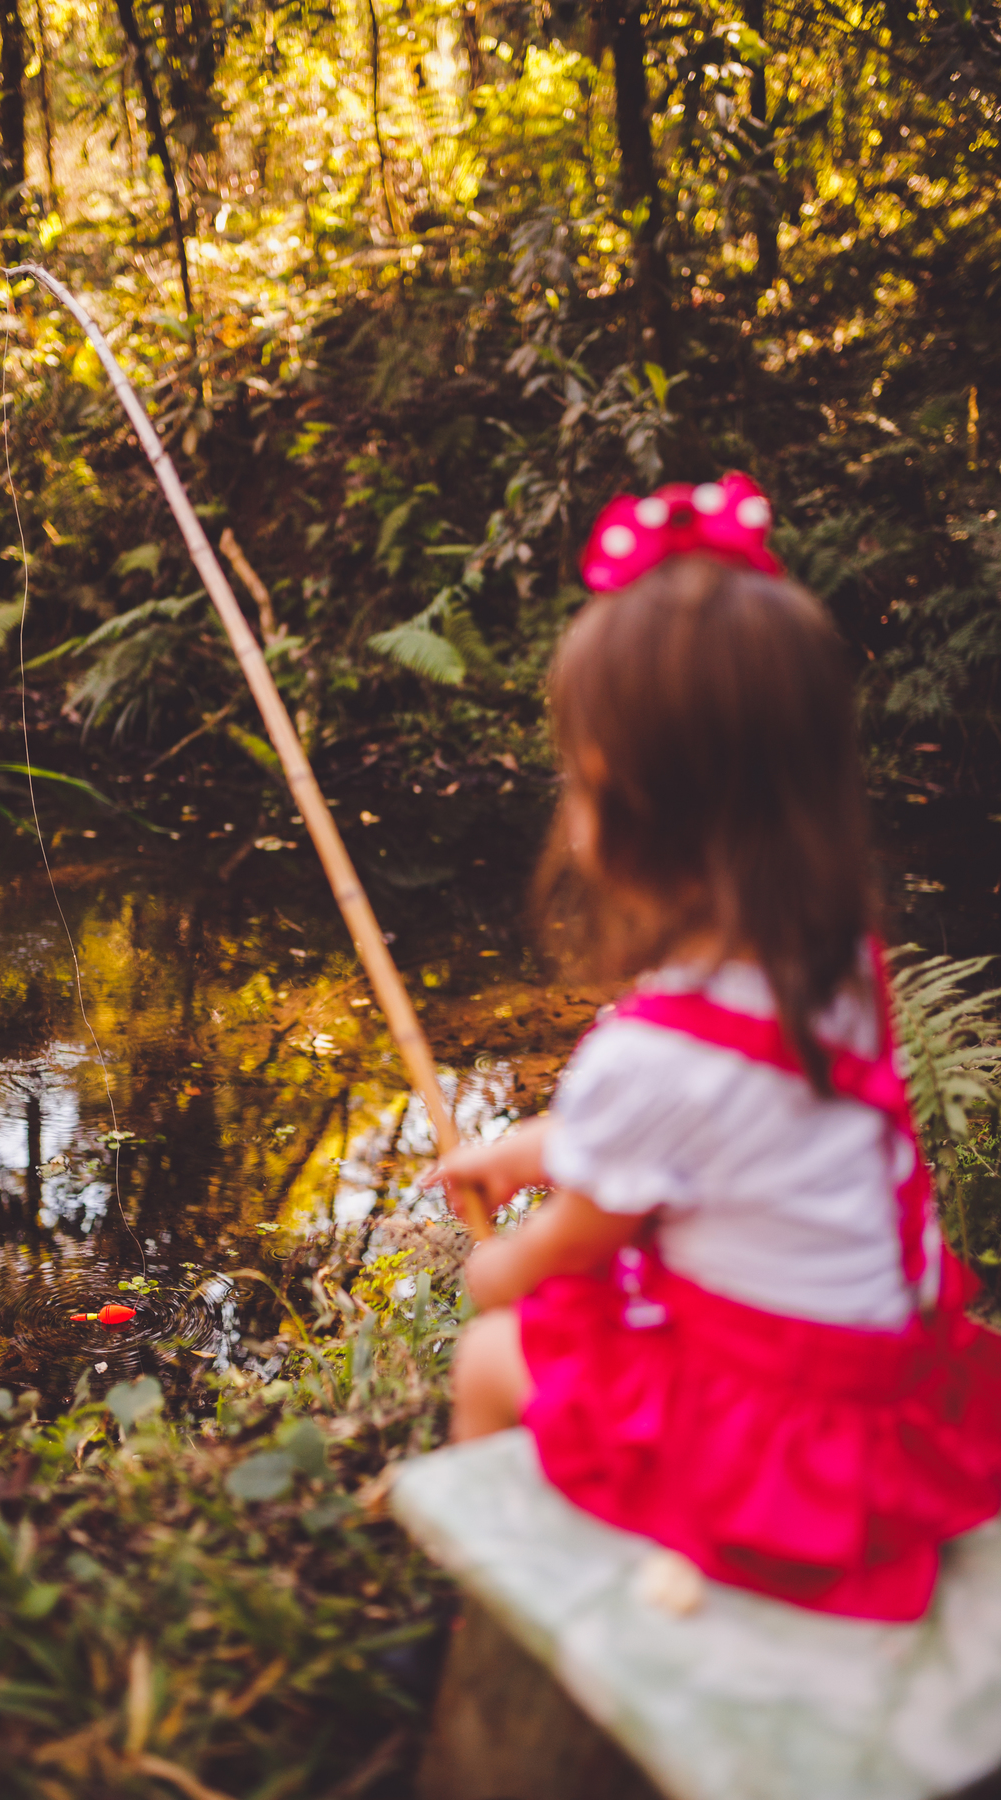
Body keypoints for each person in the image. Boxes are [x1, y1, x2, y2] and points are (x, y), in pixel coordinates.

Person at [423, 472, 1001, 1622]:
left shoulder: (649, 1059)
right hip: (892, 1393)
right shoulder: (832, 968)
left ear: (615, 801)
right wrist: (527, 1150)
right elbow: (708, 1135)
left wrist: (493, 1268)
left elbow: (564, 1253)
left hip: (792, 1445)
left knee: (491, 1358)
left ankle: (481, 1621)